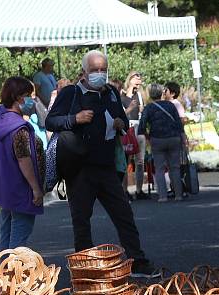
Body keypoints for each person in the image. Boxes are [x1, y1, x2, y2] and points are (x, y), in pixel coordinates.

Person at [46, 50, 158, 278]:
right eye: (94, 70)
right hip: (79, 169)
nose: (99, 74)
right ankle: (86, 270)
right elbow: (51, 121)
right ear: (84, 73)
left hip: (106, 166)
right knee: (81, 221)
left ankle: (137, 261)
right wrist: (74, 119)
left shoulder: (112, 94)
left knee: (124, 215)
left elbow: (124, 121)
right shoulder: (71, 93)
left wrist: (120, 123)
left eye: (103, 70)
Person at [0, 77, 44, 251]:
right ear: (19, 97)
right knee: (19, 237)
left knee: (7, 231)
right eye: (28, 95)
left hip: (4, 187)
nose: (31, 99)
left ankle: (1, 272)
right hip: (21, 188)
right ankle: (12, 274)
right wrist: (35, 188)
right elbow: (23, 159)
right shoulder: (19, 128)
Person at [139, 83, 186, 203]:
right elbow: (179, 123)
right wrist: (182, 137)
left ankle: (163, 196)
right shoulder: (170, 105)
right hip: (173, 138)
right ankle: (178, 195)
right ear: (162, 93)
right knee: (174, 168)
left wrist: (148, 136)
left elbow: (142, 126)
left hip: (157, 139)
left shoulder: (148, 108)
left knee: (159, 168)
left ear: (150, 94)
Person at [121, 71, 148, 199]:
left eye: (139, 79)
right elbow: (123, 113)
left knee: (140, 161)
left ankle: (139, 190)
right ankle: (125, 190)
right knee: (126, 160)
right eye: (136, 78)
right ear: (130, 79)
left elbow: (142, 111)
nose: (139, 80)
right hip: (128, 128)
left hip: (139, 128)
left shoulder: (140, 95)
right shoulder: (122, 95)